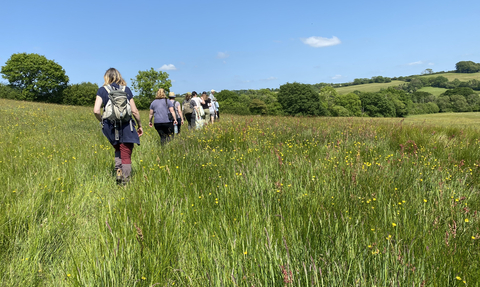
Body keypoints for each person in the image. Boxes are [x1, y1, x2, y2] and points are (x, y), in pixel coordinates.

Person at [93, 68, 143, 184]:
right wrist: (140, 125)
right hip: (126, 126)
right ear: (119, 76)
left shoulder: (102, 90)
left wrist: (103, 121)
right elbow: (134, 111)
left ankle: (119, 172)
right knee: (126, 152)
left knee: (117, 148)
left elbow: (96, 110)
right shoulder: (127, 90)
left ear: (106, 77)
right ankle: (125, 182)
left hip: (110, 126)